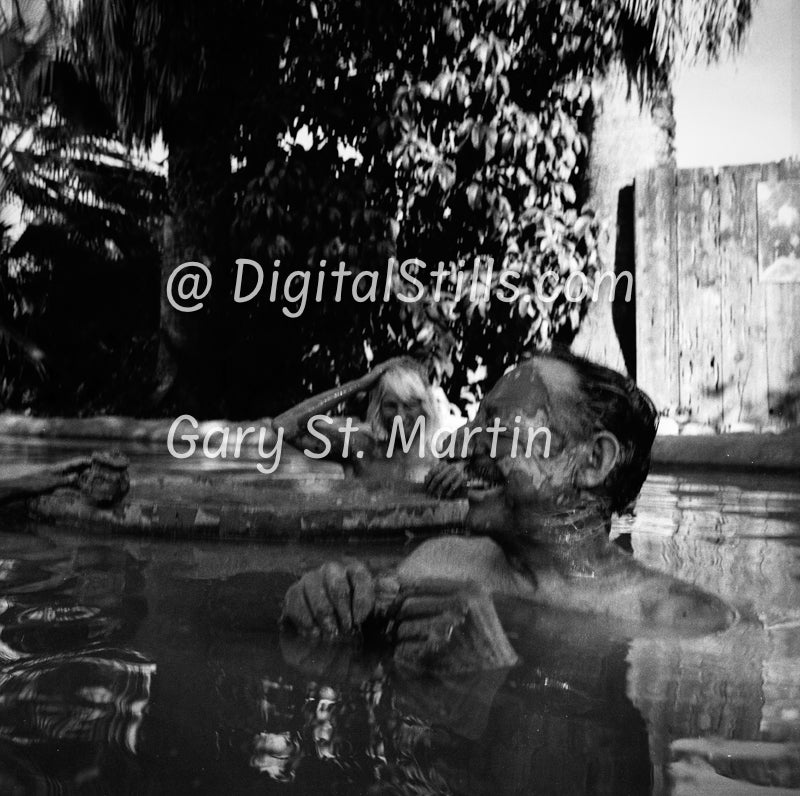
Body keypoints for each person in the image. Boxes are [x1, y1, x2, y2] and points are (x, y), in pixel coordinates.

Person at [280, 349, 736, 671]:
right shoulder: (436, 563)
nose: (465, 442)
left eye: (497, 426)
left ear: (592, 462)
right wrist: (323, 606)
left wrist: (497, 681)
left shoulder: (685, 622)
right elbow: (346, 650)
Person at [273, 356, 445, 482]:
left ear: (425, 408)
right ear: (379, 410)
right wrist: (359, 385)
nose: (399, 416)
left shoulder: (441, 464)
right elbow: (284, 426)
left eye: (409, 405)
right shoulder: (360, 450)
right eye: (391, 406)